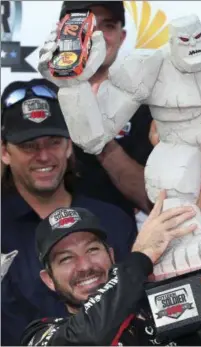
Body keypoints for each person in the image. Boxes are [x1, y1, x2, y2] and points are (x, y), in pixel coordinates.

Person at [1, 79, 137, 346]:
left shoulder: (113, 220)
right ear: (5, 152)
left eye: (53, 141)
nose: (43, 156)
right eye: (29, 146)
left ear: (68, 146)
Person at [20, 198, 201, 346]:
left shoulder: (159, 310)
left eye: (92, 250)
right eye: (66, 259)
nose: (84, 266)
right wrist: (141, 256)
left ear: (111, 256)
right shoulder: (41, 335)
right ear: (49, 280)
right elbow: (89, 337)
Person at [56, 1, 155, 218]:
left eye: (108, 26)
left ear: (122, 37)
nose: (97, 36)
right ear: (61, 33)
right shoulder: (38, 99)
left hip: (125, 241)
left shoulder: (147, 106)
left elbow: (153, 201)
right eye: (86, 26)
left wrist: (98, 136)